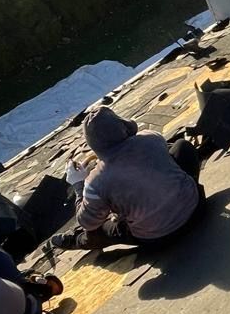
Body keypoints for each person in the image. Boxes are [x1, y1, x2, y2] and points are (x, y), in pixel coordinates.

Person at [58, 105, 203, 251]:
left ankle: (75, 240)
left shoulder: (96, 182)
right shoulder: (151, 137)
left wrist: (78, 184)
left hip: (160, 237)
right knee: (181, 146)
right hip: (196, 206)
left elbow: (87, 222)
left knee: (97, 230)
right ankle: (184, 193)